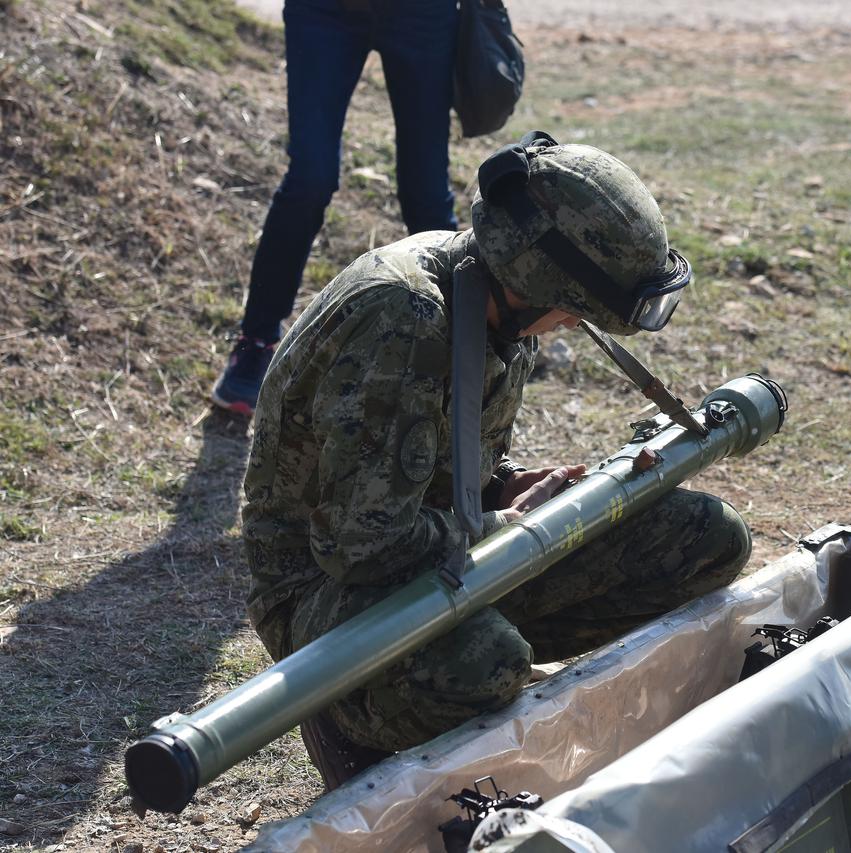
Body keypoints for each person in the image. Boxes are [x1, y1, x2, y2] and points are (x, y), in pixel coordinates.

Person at [239, 134, 752, 787]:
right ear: (541, 283)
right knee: (485, 664)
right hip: (325, 593)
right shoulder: (406, 317)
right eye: (574, 309)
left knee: (704, 540)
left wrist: (507, 490)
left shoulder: (495, 303)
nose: (570, 325)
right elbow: (360, 544)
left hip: (438, 554)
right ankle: (348, 715)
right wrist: (505, 525)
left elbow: (437, 472)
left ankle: (475, 658)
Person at [213, 0, 460, 416]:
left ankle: (465, 354)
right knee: (310, 178)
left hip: (423, 12)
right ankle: (255, 344)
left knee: (426, 194)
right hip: (323, 11)